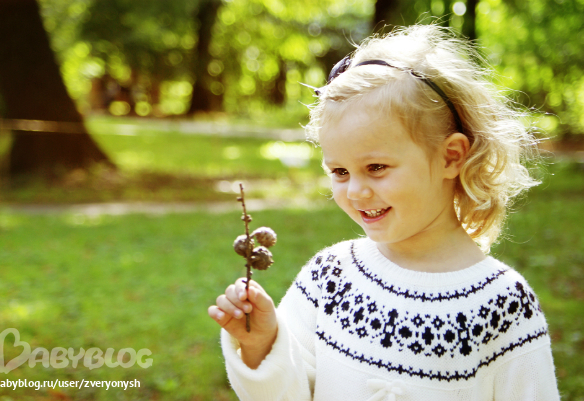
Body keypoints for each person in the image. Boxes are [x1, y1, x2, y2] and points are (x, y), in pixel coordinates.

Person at [207, 24, 561, 400]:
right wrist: (262, 344)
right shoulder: (330, 277)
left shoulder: (502, 304)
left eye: (376, 167)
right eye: (339, 172)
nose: (355, 191)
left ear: (450, 157)